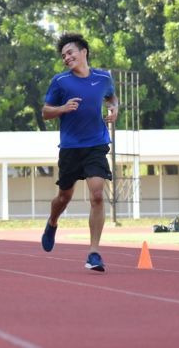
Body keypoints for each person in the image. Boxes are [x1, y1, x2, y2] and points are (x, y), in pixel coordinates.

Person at [41, 33, 118, 272]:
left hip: (96, 144)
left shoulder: (104, 77)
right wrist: (62, 108)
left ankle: (94, 252)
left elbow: (112, 97)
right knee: (64, 196)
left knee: (97, 195)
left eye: (70, 52)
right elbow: (45, 111)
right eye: (63, 55)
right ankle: (52, 221)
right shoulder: (60, 81)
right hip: (71, 148)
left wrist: (114, 109)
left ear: (84, 51)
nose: (66, 57)